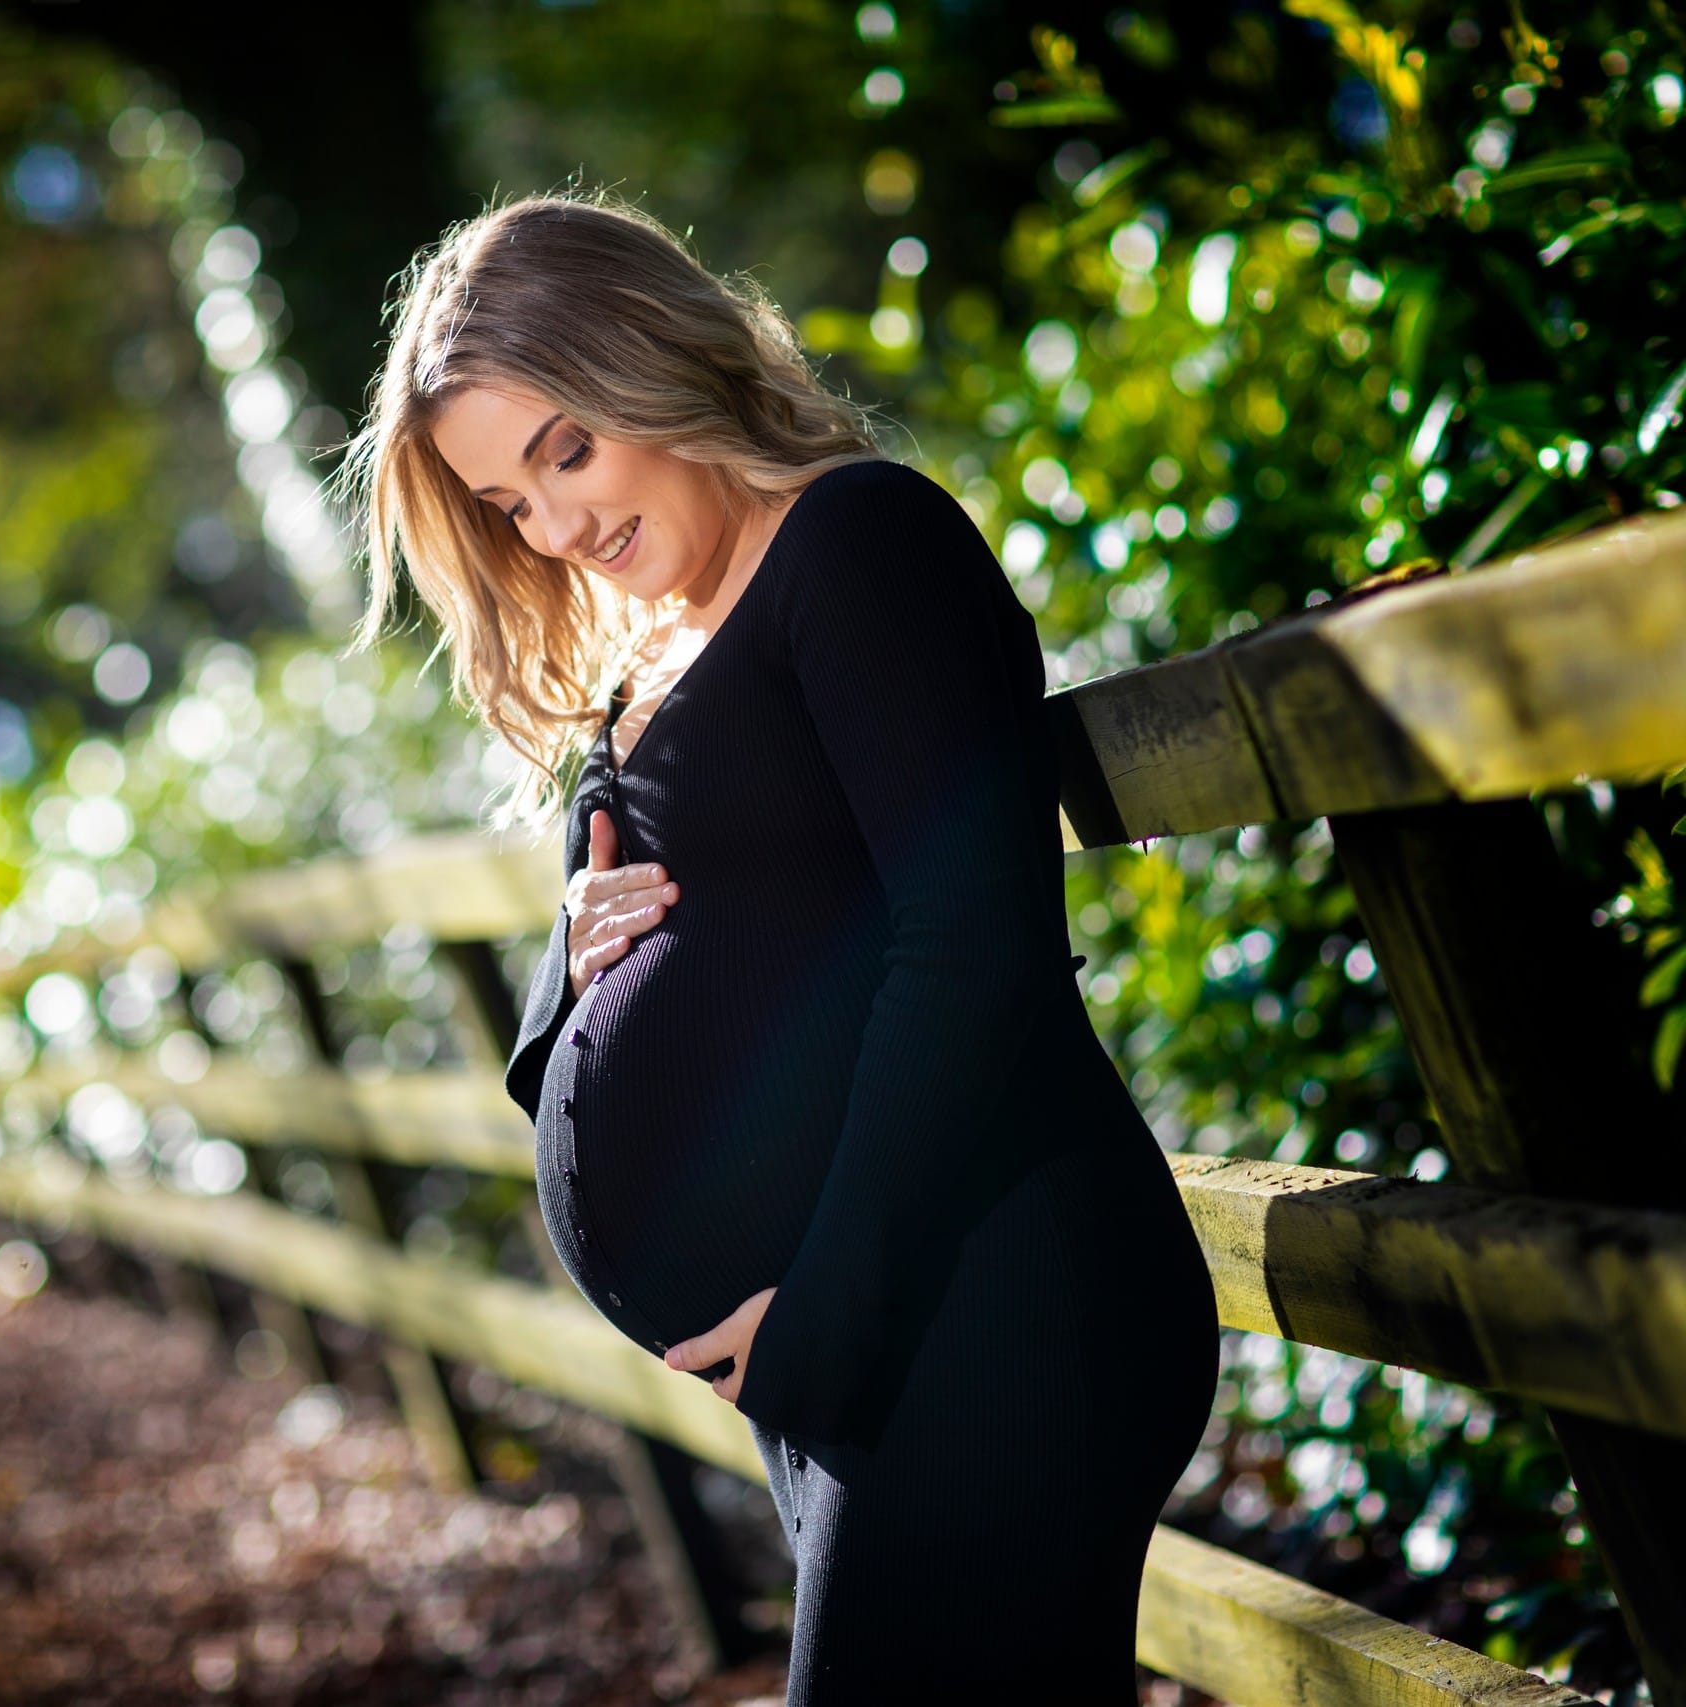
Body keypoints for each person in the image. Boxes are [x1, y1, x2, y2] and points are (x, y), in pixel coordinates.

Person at [334, 189, 1220, 1700]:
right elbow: (589, 1009)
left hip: (985, 1300)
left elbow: (974, 951)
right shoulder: (642, 652)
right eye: (509, 503)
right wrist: (570, 956)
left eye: (567, 449)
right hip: (853, 1352)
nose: (558, 527)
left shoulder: (862, 548)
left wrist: (828, 1320)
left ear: (654, 360)